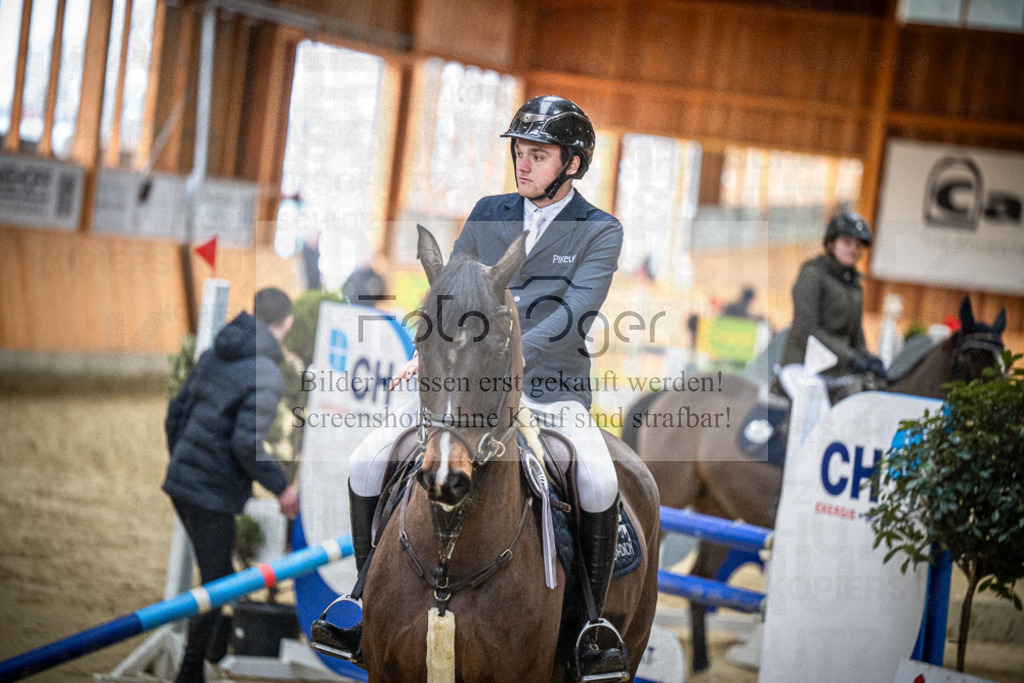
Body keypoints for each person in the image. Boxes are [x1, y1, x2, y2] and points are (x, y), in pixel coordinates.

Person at [314, 95, 630, 681]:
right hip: (459, 385)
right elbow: (447, 293)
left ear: (572, 165)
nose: (524, 164)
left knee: (599, 477)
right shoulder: (488, 212)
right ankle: (361, 601)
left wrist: (505, 359)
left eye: (539, 155)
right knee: (365, 460)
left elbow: (576, 311)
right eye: (520, 153)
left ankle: (589, 626)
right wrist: (426, 350)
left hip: (551, 388)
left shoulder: (600, 231)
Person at [164, 287, 301, 683]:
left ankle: (208, 657)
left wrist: (183, 464)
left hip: (183, 481)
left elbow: (175, 414)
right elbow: (246, 443)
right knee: (219, 583)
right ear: (286, 324)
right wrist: (282, 489)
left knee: (217, 574)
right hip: (209, 493)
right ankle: (190, 671)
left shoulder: (213, 352)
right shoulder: (268, 373)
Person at [779, 210, 885, 379]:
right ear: (831, 243)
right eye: (847, 242)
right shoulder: (812, 273)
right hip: (804, 366)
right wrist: (851, 358)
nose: (853, 249)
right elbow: (806, 329)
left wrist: (868, 358)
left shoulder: (854, 284)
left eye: (858, 245)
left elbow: (856, 334)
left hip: (838, 369)